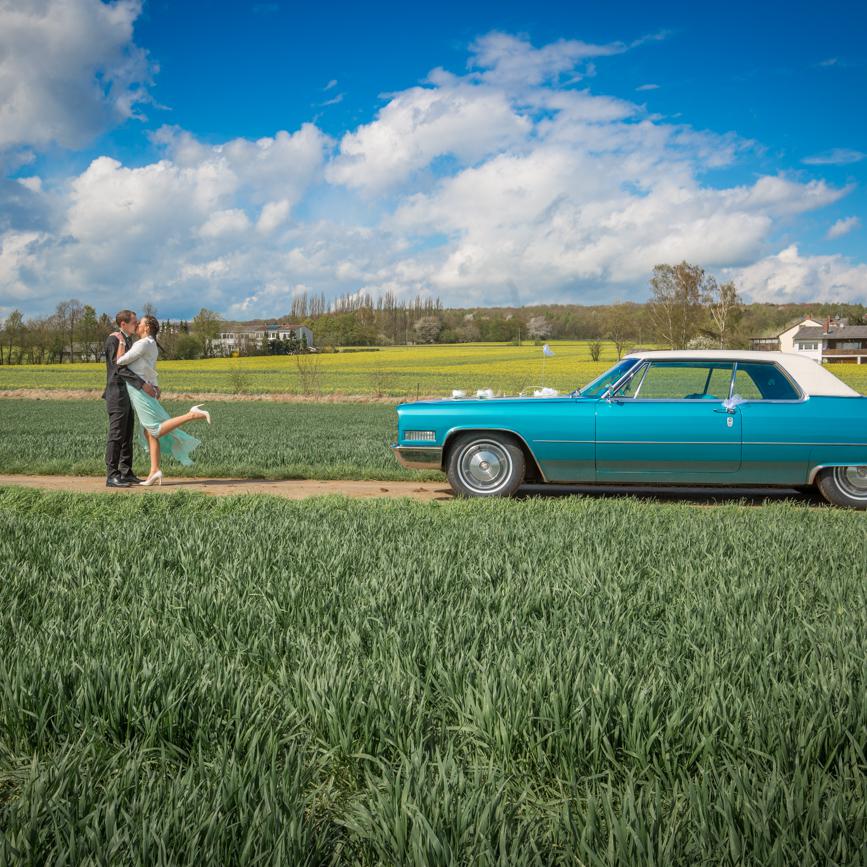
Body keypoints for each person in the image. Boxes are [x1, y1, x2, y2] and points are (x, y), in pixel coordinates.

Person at [115, 315, 211, 486]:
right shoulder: (151, 345)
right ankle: (154, 471)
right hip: (146, 389)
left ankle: (192, 414)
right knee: (148, 432)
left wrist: (121, 341)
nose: (137, 325)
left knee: (155, 430)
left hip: (140, 391)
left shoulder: (143, 343)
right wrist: (156, 386)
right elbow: (150, 369)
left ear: (147, 328)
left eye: (140, 323)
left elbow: (120, 361)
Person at [103, 310, 155, 488]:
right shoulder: (114, 340)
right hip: (116, 393)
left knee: (127, 434)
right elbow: (119, 368)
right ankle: (112, 475)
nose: (136, 324)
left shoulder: (129, 340)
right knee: (117, 434)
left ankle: (126, 472)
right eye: (134, 322)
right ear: (123, 324)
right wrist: (142, 384)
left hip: (127, 393)